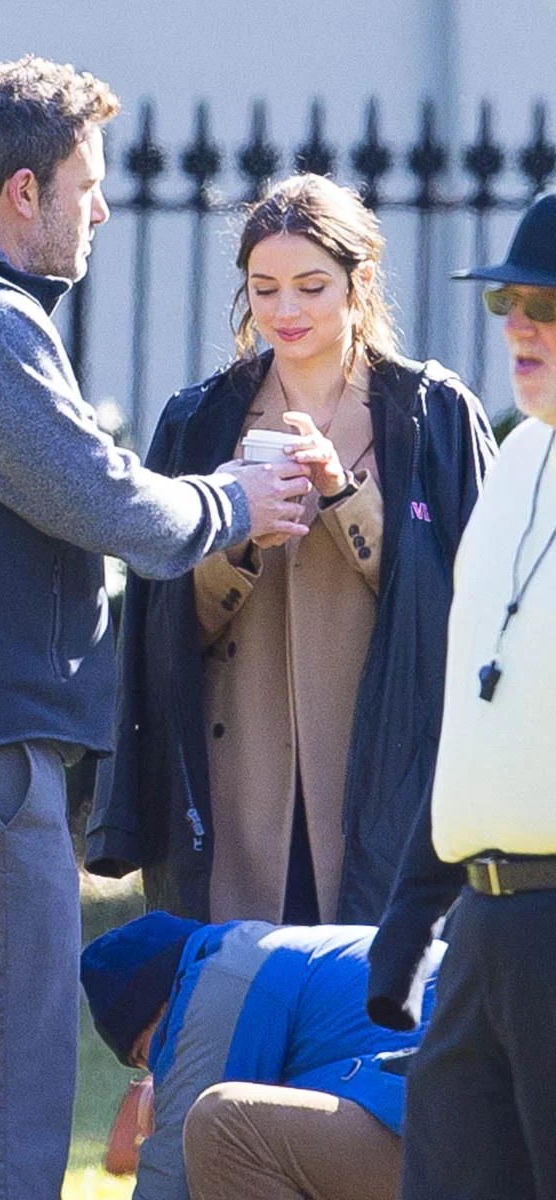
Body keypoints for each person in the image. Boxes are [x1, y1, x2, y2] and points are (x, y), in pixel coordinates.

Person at [0, 56, 307, 1200]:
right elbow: (101, 501)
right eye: (87, 186)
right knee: (2, 1084)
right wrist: (234, 499)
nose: (102, 210)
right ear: (24, 190)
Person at [87, 173, 497, 926]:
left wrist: (344, 496)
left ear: (359, 282)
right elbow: (163, 623)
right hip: (238, 781)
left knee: (374, 989)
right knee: (245, 984)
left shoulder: (433, 414)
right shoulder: (199, 419)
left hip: (387, 777)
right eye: (264, 289)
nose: (285, 312)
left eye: (311, 287)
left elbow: (468, 608)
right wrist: (237, 538)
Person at [367, 192, 556, 1200]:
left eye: (544, 304)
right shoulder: (517, 456)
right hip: (483, 929)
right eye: (505, 302)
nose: (518, 324)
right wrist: (408, 927)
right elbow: (475, 719)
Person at [81, 912, 444, 1200]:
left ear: (160, 1009)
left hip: (450, 1138)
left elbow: (171, 1179)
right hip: (445, 1123)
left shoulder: (219, 983)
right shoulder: (265, 953)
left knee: (221, 1125)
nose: (156, 1071)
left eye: (144, 1054)